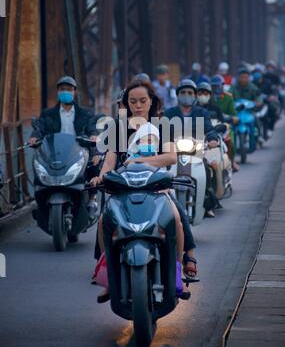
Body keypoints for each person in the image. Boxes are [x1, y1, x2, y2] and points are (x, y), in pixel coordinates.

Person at [90, 80, 198, 301]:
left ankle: (178, 273)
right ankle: (110, 278)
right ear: (126, 103)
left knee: (176, 218)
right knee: (104, 222)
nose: (138, 105)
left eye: (142, 101)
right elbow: (110, 162)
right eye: (133, 101)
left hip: (156, 185)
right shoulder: (119, 128)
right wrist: (99, 176)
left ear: (151, 102)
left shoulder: (162, 125)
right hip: (124, 185)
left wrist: (140, 159)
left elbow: (170, 157)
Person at [28, 76, 101, 213]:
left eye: (69, 89)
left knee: (93, 163)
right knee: (39, 167)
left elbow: (92, 128)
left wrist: (93, 135)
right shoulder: (48, 114)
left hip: (78, 151)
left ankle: (92, 196)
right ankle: (40, 201)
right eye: (62, 89)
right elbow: (39, 129)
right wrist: (34, 137)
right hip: (55, 154)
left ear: (75, 92)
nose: (65, 92)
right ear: (57, 92)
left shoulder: (86, 114)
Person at [164, 79, 221, 218]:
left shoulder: (201, 112)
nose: (186, 95)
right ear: (177, 95)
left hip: (197, 151)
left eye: (190, 92)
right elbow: (161, 131)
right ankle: (163, 202)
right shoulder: (169, 113)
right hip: (173, 152)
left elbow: (209, 129)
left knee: (207, 169)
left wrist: (213, 139)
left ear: (195, 95)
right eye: (183, 92)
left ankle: (207, 203)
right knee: (162, 173)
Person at [210, 75, 240, 172]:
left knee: (229, 141)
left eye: (218, 86)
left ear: (223, 86)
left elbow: (233, 114)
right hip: (209, 124)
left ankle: (231, 161)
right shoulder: (208, 97)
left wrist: (230, 118)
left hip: (224, 123)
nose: (217, 89)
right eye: (214, 87)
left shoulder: (228, 98)